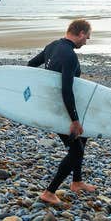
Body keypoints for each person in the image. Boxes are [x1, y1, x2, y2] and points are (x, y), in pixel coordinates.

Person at [28, 19, 95, 204]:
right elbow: (66, 89)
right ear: (80, 33)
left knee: (83, 138)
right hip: (60, 110)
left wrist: (41, 92)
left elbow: (30, 66)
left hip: (54, 105)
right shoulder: (70, 56)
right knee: (76, 151)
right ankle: (49, 192)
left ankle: (77, 181)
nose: (86, 42)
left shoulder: (53, 46)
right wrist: (74, 120)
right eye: (87, 37)